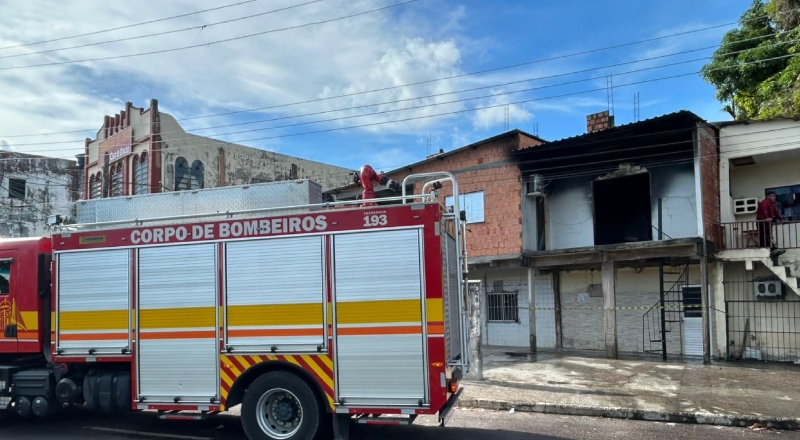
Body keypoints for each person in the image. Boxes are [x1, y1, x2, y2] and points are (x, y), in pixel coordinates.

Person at [756, 191, 785, 257]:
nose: (774, 197)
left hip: (768, 222)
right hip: (762, 222)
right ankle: (773, 249)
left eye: (774, 196)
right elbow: (764, 210)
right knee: (765, 236)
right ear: (767, 196)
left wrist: (781, 219)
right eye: (772, 196)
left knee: (768, 235)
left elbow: (776, 212)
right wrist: (767, 217)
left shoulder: (772, 204)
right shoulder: (764, 202)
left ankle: (772, 249)